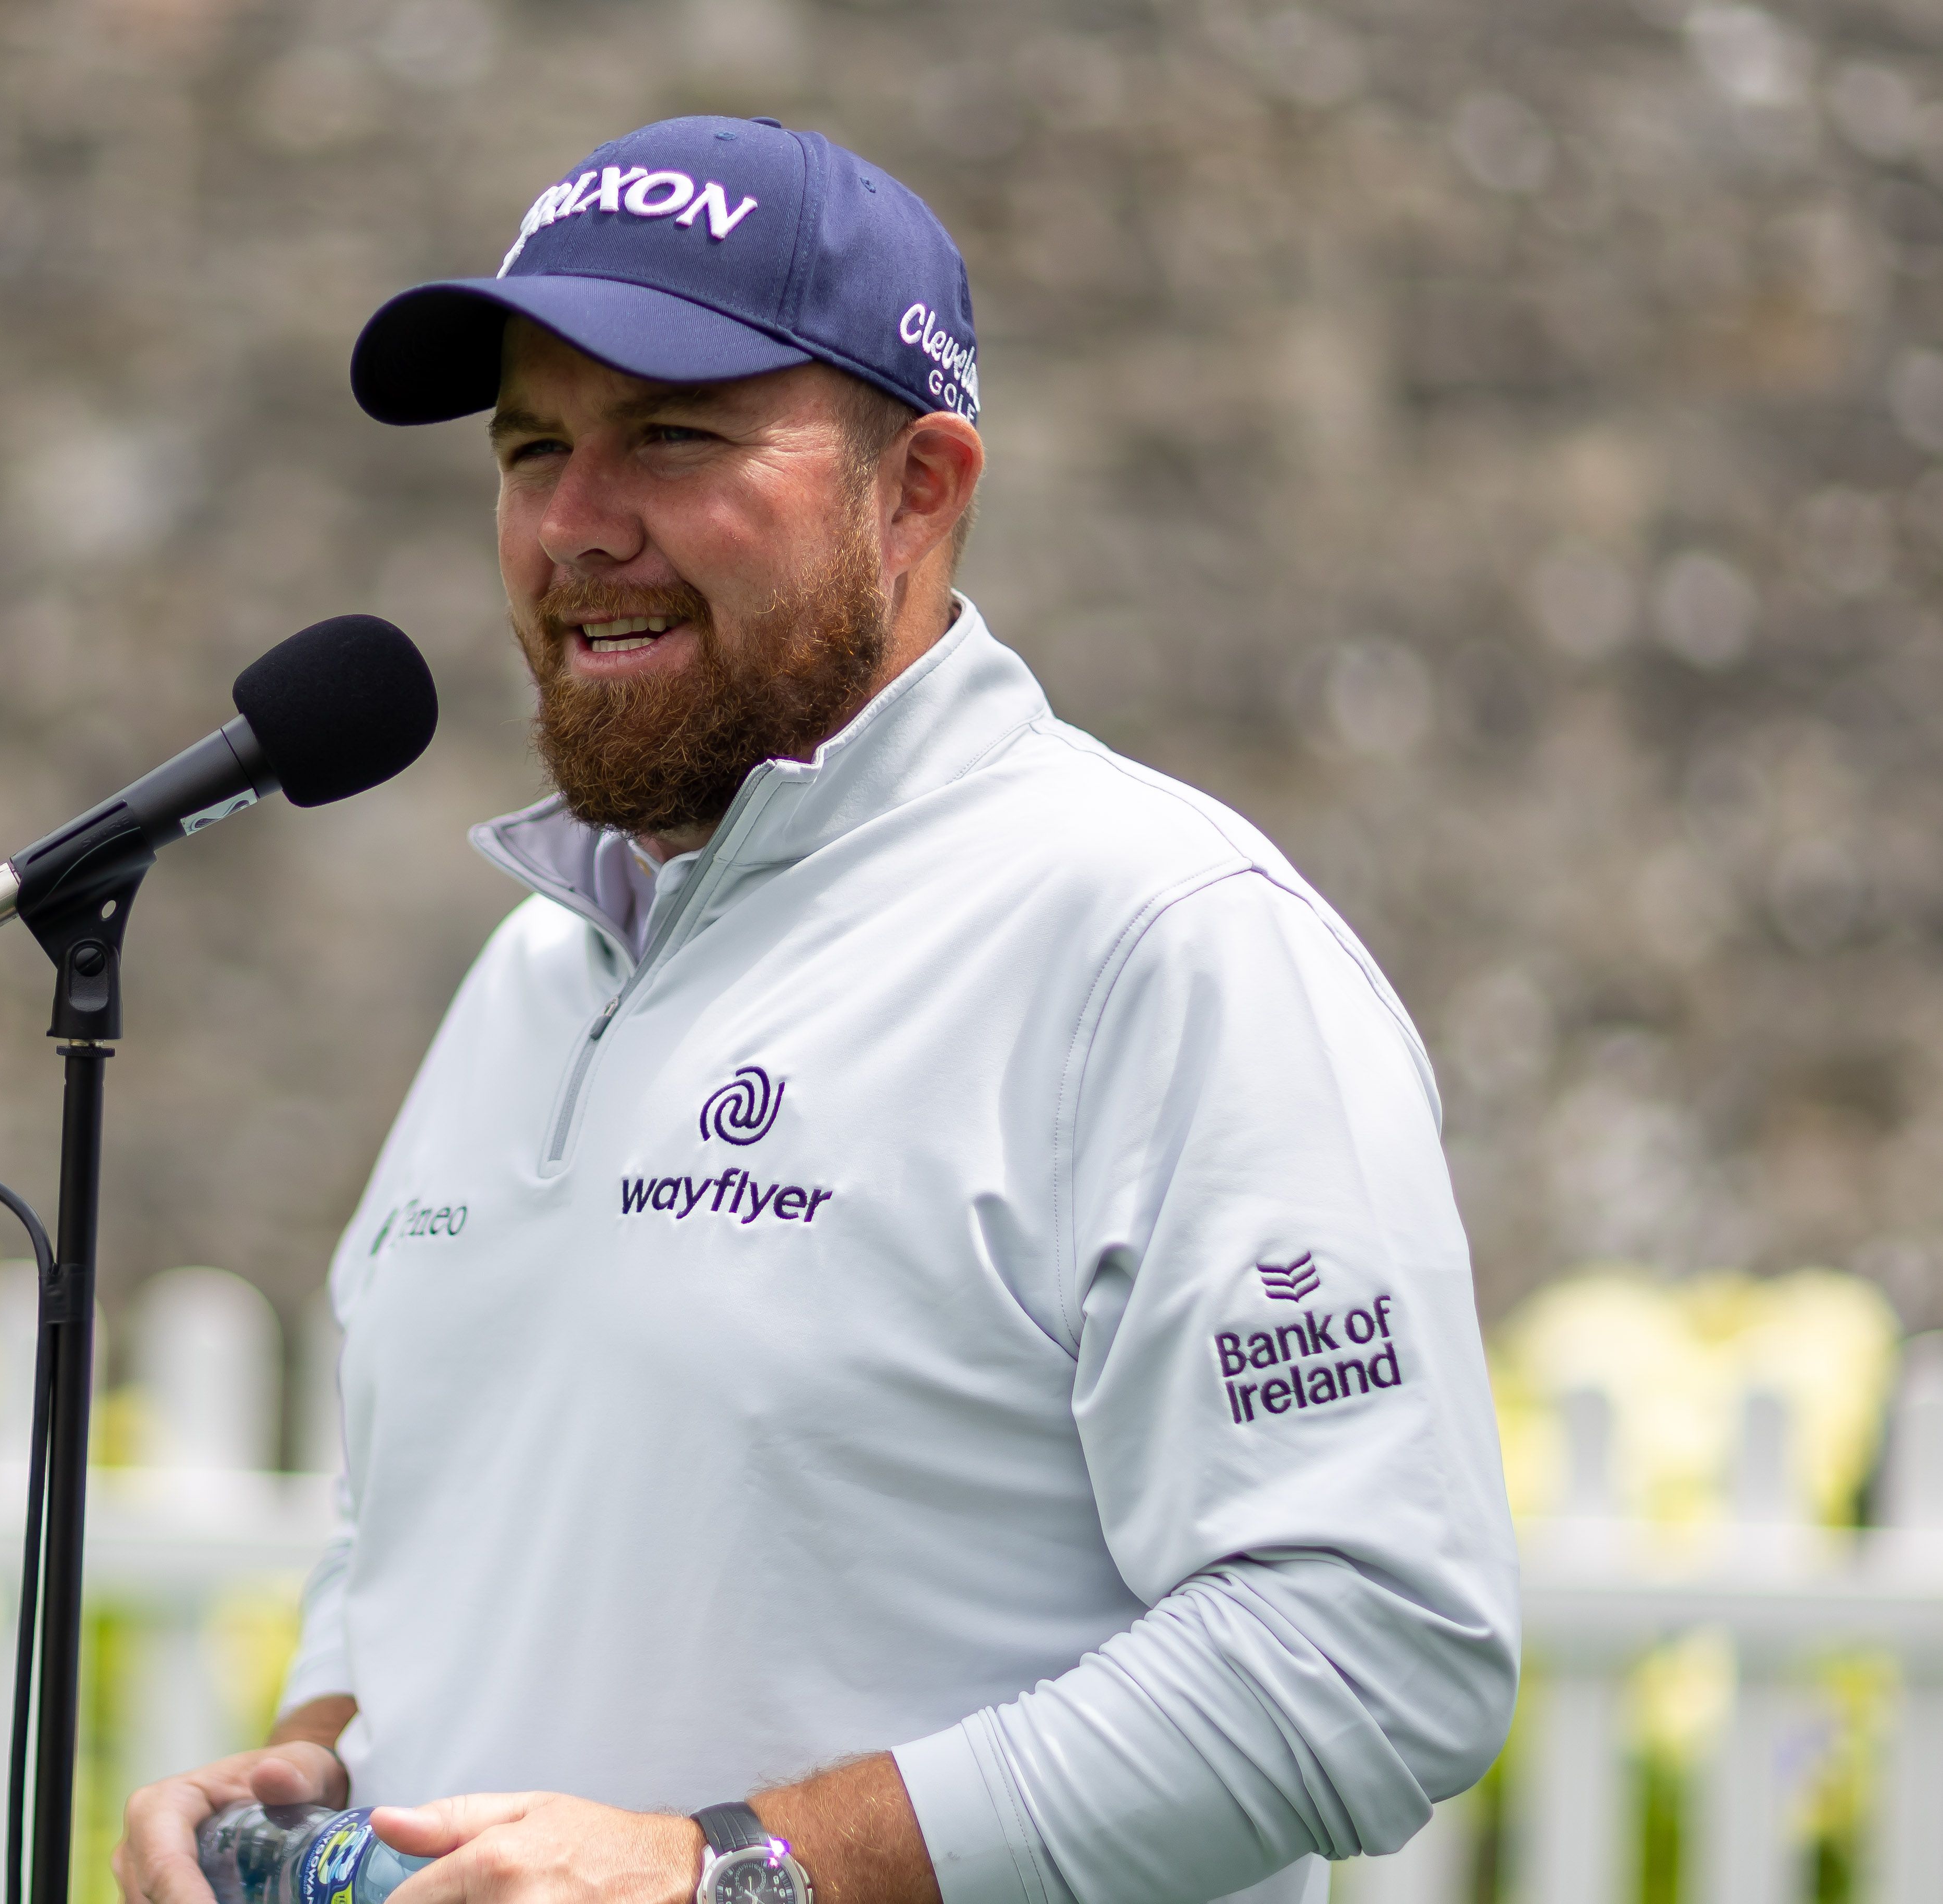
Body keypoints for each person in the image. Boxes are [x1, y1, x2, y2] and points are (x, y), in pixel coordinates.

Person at [117, 115, 1518, 1904]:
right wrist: (312, 1753)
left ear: (919, 485)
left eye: (670, 438)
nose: (571, 526)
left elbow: (1370, 1653)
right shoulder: (535, 971)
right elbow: (432, 1538)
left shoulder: (1158, 939)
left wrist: (733, 1875)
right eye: (530, 447)